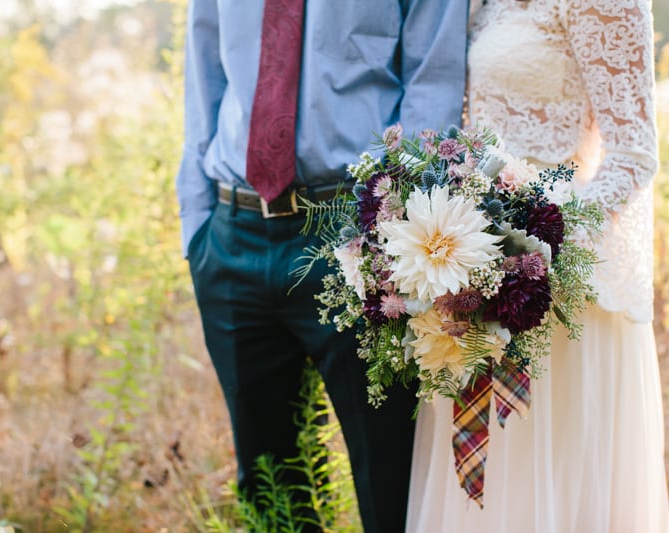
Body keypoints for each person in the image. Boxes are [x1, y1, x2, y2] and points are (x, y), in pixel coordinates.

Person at [176, 1, 468, 531]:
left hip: (355, 232)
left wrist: (393, 231)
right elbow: (203, 72)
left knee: (391, 485)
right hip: (230, 234)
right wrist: (197, 226)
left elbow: (433, 83)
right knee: (270, 490)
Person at [407, 0, 669, 531]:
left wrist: (540, 245)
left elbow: (634, 152)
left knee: (543, 481)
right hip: (471, 265)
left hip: (555, 285)